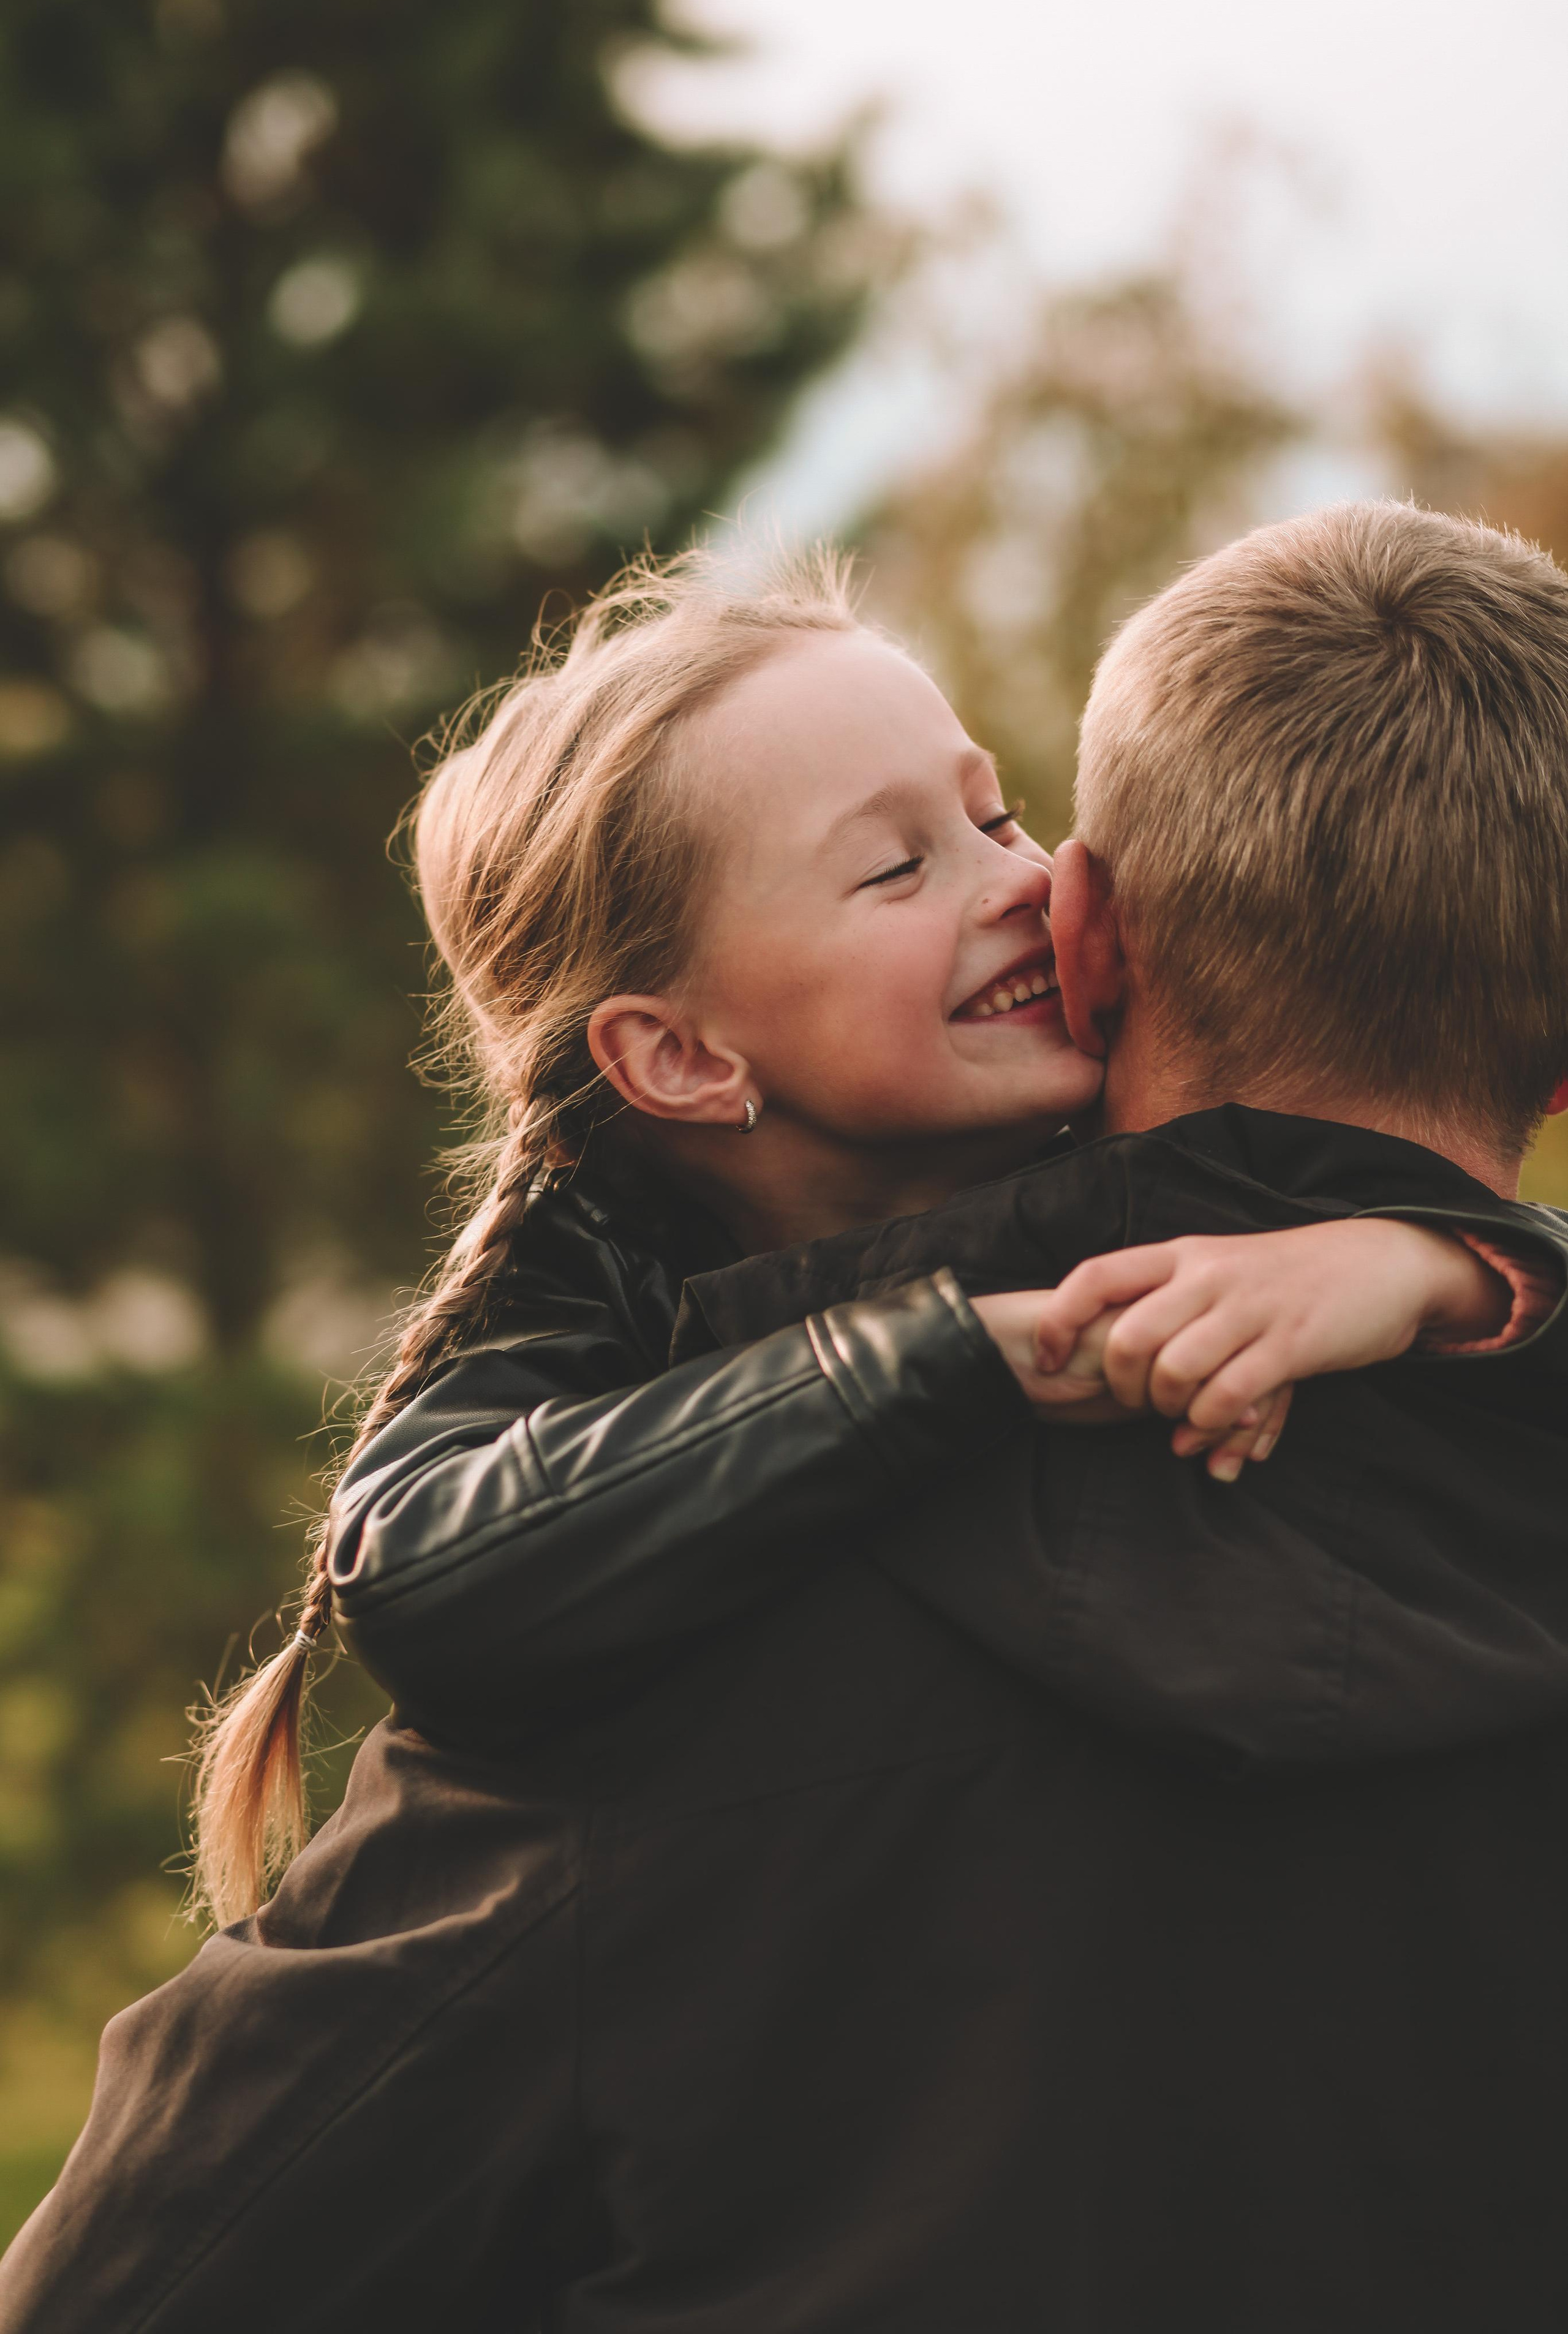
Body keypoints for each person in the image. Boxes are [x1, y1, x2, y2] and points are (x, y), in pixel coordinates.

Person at [7, 506, 1568, 2332]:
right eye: (896, 865)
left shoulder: (656, 1675)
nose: (1002, 879)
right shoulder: (624, 1511)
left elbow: (128, 2294)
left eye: (996, 824)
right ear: (678, 1056)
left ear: (1093, 928)